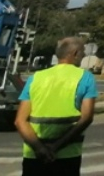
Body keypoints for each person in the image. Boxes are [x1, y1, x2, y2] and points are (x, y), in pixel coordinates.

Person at [15, 37, 98, 176]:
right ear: (75, 53)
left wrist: (39, 148)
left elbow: (19, 121)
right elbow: (87, 118)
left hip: (34, 155)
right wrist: (55, 147)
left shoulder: (35, 78)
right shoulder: (86, 77)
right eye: (82, 52)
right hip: (67, 155)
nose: (83, 56)